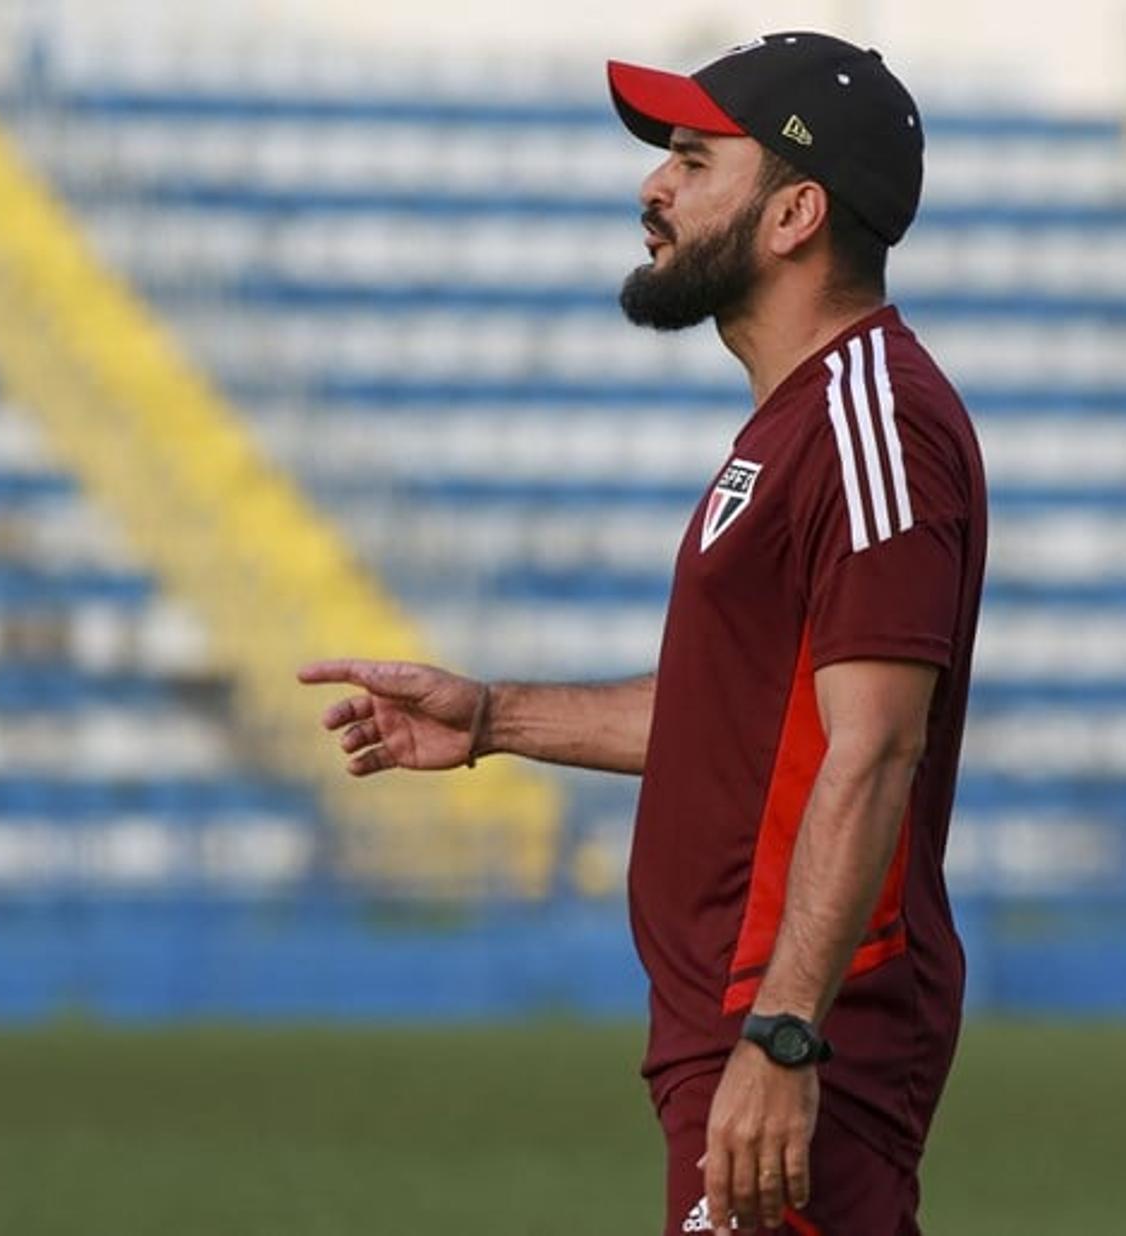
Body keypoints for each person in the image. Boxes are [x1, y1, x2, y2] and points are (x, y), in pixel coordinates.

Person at [299, 32, 986, 1236]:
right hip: (738, 1023)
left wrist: (782, 1033)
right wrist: (498, 719)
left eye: (691, 159)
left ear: (794, 215)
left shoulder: (873, 420)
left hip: (799, 1023)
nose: (652, 188)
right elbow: (747, 724)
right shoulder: (796, 426)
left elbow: (872, 748)